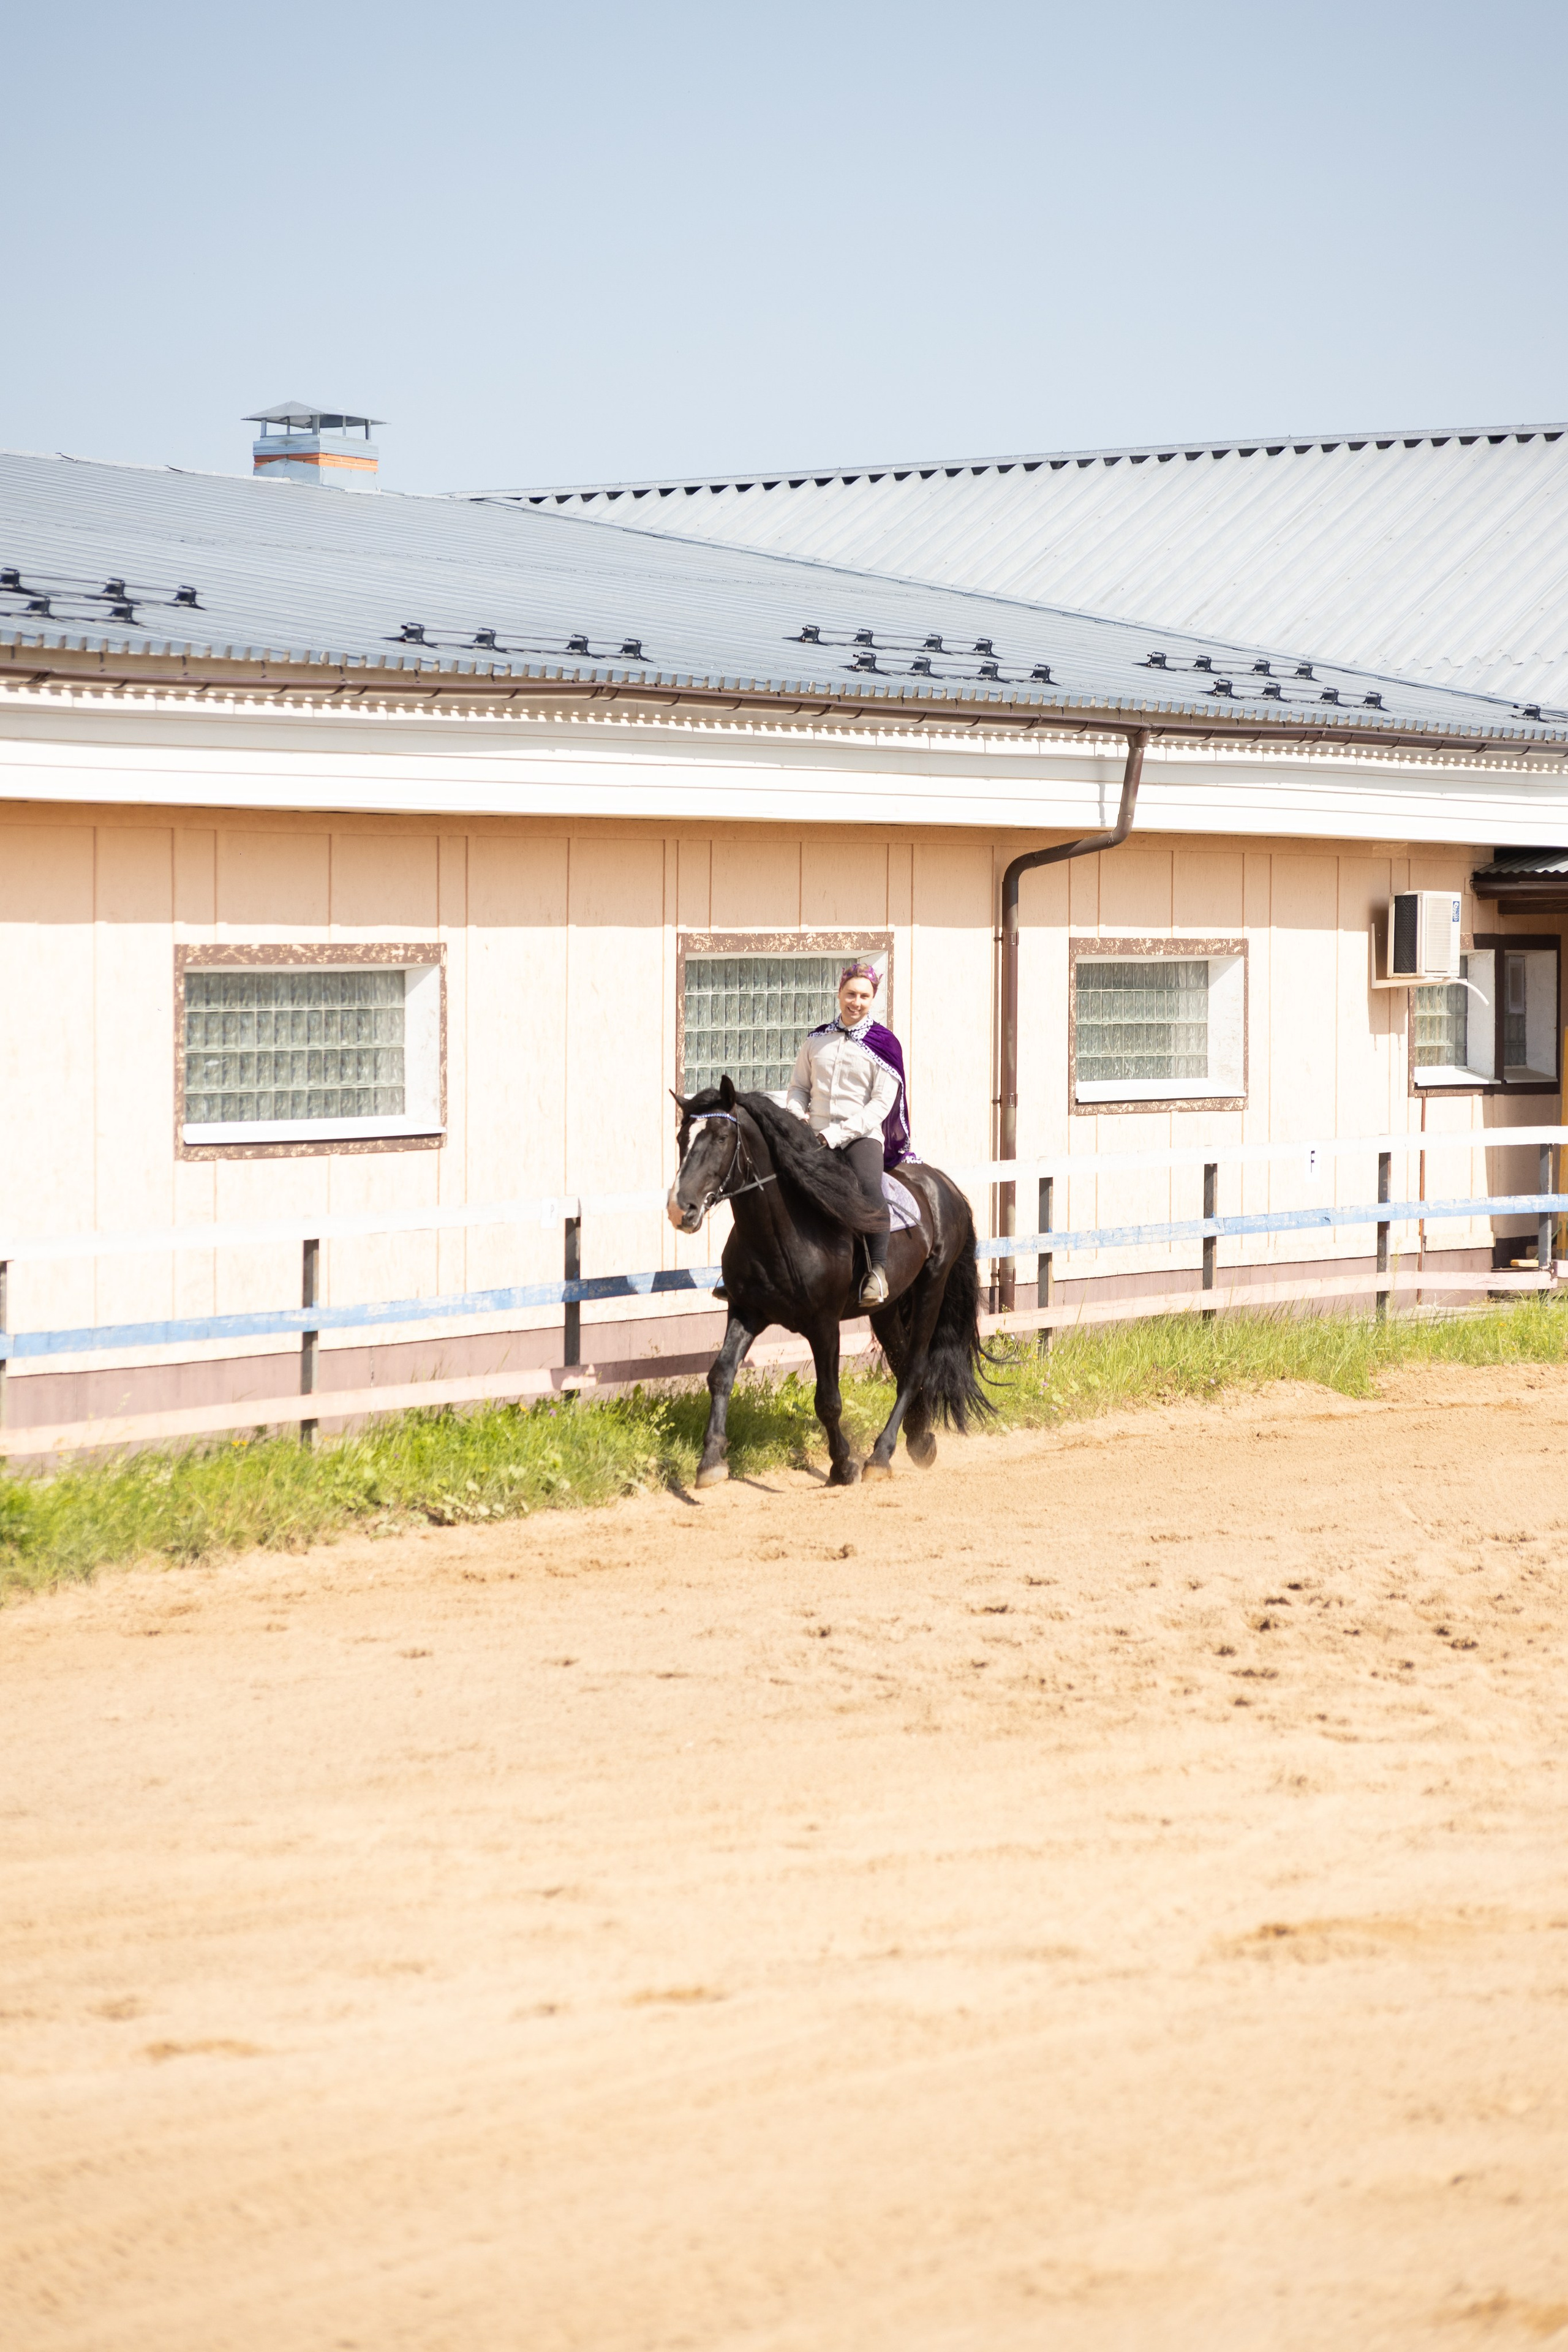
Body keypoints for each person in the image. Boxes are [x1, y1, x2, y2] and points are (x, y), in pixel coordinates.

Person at [784, 960, 914, 1308]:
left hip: (860, 1136)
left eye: (864, 996)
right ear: (839, 993)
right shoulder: (817, 1040)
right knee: (771, 1180)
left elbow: (880, 1104)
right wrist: (797, 1116)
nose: (856, 1002)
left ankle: (878, 1271)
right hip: (813, 1134)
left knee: (870, 1187)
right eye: (851, 994)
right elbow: (799, 1088)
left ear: (873, 999)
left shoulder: (885, 1045)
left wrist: (837, 1134)